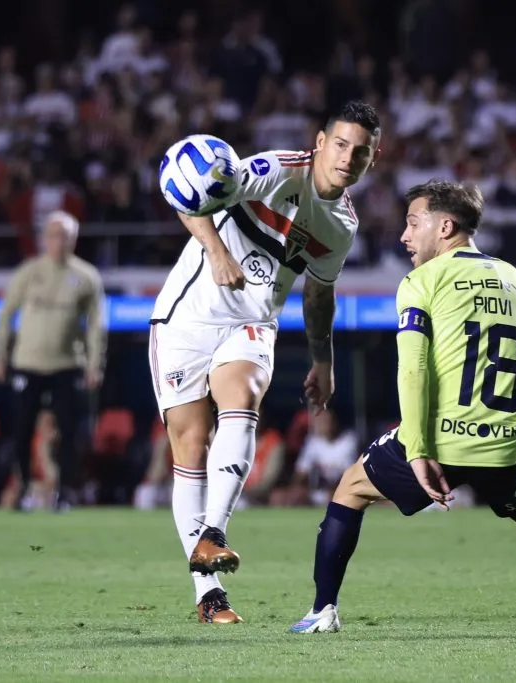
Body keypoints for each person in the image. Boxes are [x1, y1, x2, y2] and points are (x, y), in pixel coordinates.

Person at [289, 180, 516, 635]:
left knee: (350, 489)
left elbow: (413, 371)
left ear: (445, 226)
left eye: (412, 223)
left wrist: (419, 449)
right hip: (508, 446)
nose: (404, 236)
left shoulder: (421, 281)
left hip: (442, 439)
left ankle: (322, 610)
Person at [149, 100, 381, 623]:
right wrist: (215, 248)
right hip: (186, 317)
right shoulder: (273, 170)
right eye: (341, 144)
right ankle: (208, 595)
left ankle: (214, 533)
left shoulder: (341, 225)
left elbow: (320, 296)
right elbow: (187, 196)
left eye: (360, 151)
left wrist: (324, 359)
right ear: (321, 143)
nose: (348, 157)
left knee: (243, 398)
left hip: (252, 321)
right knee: (190, 447)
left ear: (373, 159)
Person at [0, 210, 107, 512]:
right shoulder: (29, 272)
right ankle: (25, 489)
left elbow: (96, 325)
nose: (60, 241)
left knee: (70, 432)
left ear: (74, 239)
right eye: (54, 234)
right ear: (45, 238)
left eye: (66, 235)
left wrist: (96, 363)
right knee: (21, 429)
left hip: (67, 364)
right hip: (27, 363)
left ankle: (64, 492)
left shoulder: (86, 276)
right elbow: (5, 316)